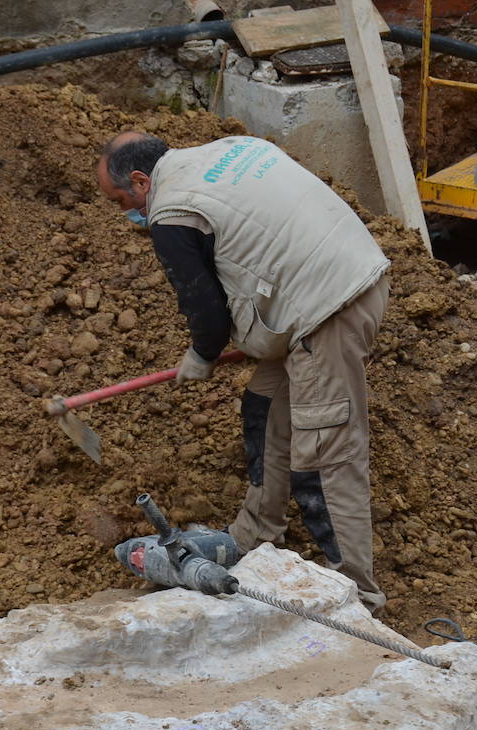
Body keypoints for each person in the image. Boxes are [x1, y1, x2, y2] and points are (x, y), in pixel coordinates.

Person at [96, 131, 391, 609]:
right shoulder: (232, 147)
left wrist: (202, 354)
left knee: (323, 458)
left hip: (325, 314)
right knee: (264, 405)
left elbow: (204, 306)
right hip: (352, 277)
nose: (125, 212)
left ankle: (357, 599)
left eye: (120, 200)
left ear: (140, 180)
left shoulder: (172, 213)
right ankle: (254, 534)